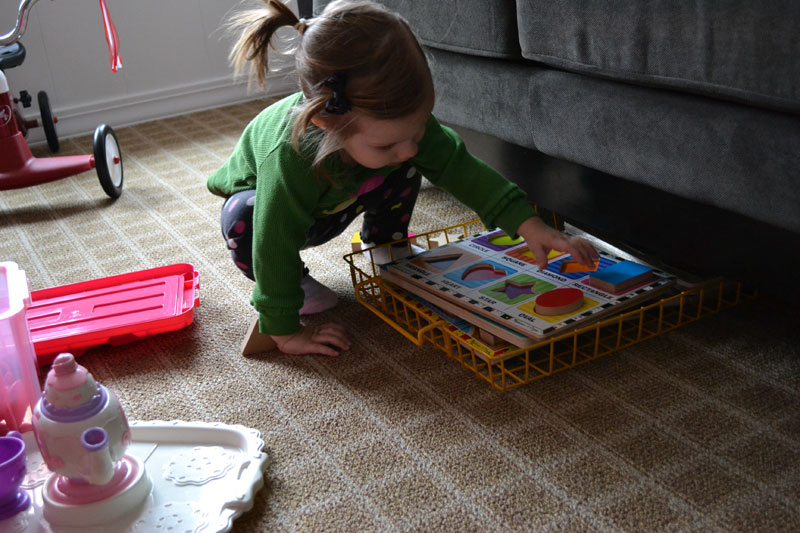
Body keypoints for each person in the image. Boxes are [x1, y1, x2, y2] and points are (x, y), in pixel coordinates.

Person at [208, 0, 599, 357]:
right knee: (246, 215)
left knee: (407, 165)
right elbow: (273, 239)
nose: (409, 146)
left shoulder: (399, 133)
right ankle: (300, 280)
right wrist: (285, 330)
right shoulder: (291, 157)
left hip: (343, 195)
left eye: (416, 131)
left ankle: (387, 248)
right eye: (390, 142)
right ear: (328, 123)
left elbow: (462, 170)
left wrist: (528, 225)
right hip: (270, 212)